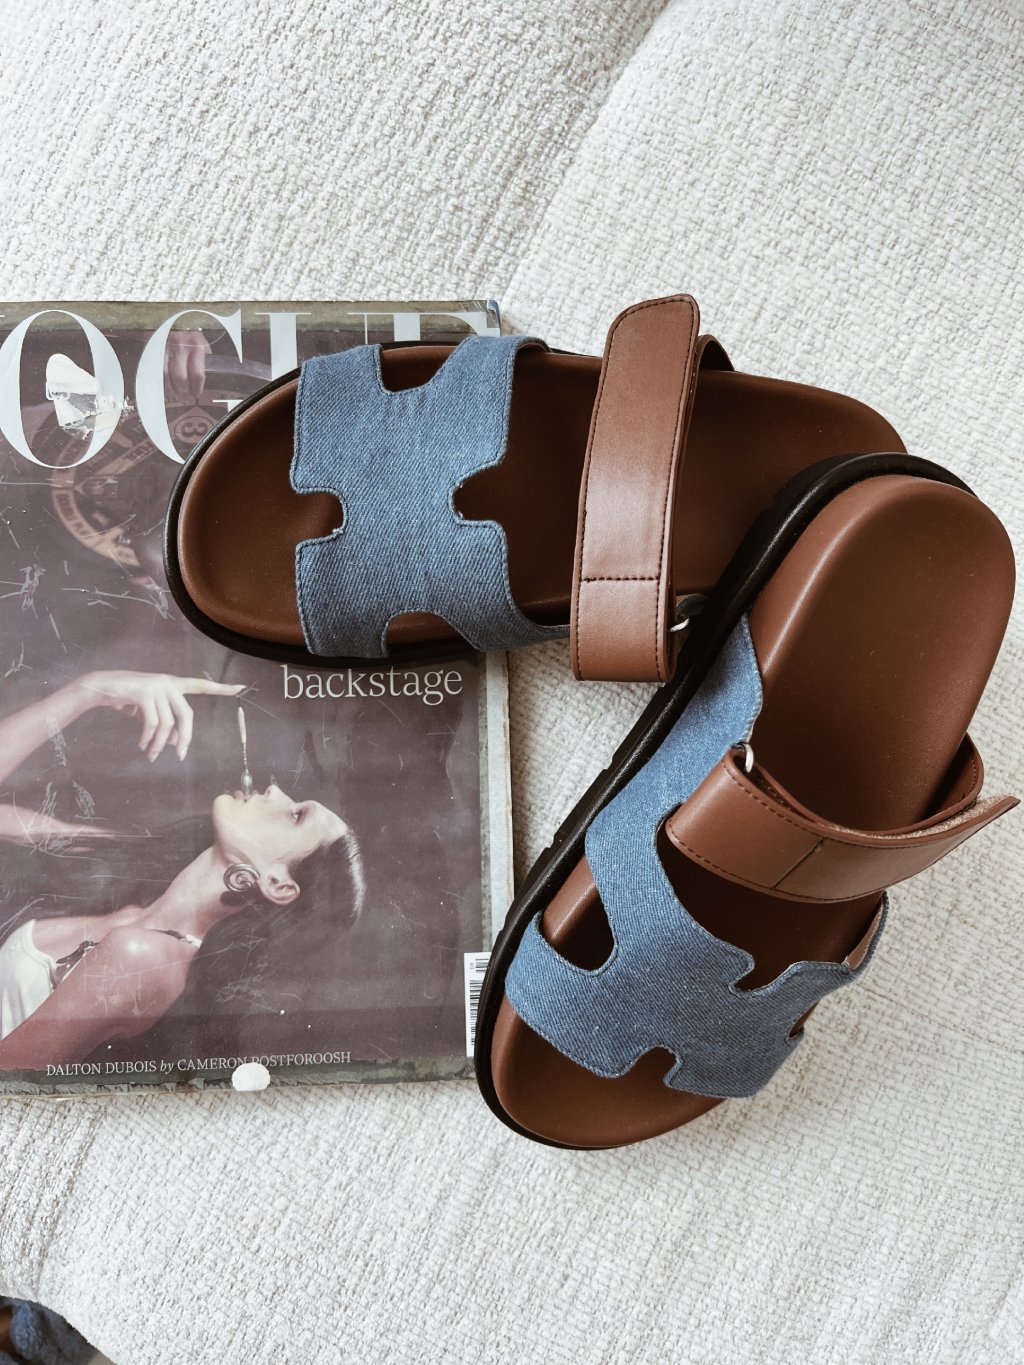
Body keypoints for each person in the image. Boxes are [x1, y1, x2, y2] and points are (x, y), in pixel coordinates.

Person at [0, 669, 364, 1070]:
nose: (276, 791)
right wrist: (91, 690)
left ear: (278, 884)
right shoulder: (129, 883)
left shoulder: (141, 957)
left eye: (296, 816)